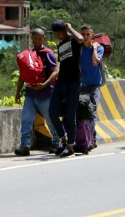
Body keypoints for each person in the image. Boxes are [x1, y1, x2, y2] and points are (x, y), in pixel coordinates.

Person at [14, 28, 61, 156]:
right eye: (35, 38)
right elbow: (22, 75)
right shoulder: (28, 54)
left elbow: (56, 71)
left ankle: (57, 142)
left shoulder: (48, 53)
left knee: (50, 119)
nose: (37, 41)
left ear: (44, 39)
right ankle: (25, 146)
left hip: (45, 94)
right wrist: (18, 92)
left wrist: (45, 84)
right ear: (31, 38)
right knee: (26, 119)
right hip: (30, 93)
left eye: (40, 38)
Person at [48, 20, 84, 157]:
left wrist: (70, 28)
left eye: (60, 32)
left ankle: (70, 146)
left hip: (74, 82)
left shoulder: (74, 40)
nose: (58, 35)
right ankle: (64, 138)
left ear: (65, 30)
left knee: (70, 115)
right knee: (52, 111)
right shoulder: (61, 45)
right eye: (56, 33)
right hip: (61, 81)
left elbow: (81, 39)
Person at [79, 24, 104, 148]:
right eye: (83, 34)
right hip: (81, 85)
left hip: (94, 85)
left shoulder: (99, 48)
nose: (85, 37)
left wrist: (94, 48)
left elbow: (95, 62)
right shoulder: (79, 49)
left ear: (92, 35)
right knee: (82, 112)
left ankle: (92, 139)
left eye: (88, 34)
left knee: (92, 112)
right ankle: (85, 137)